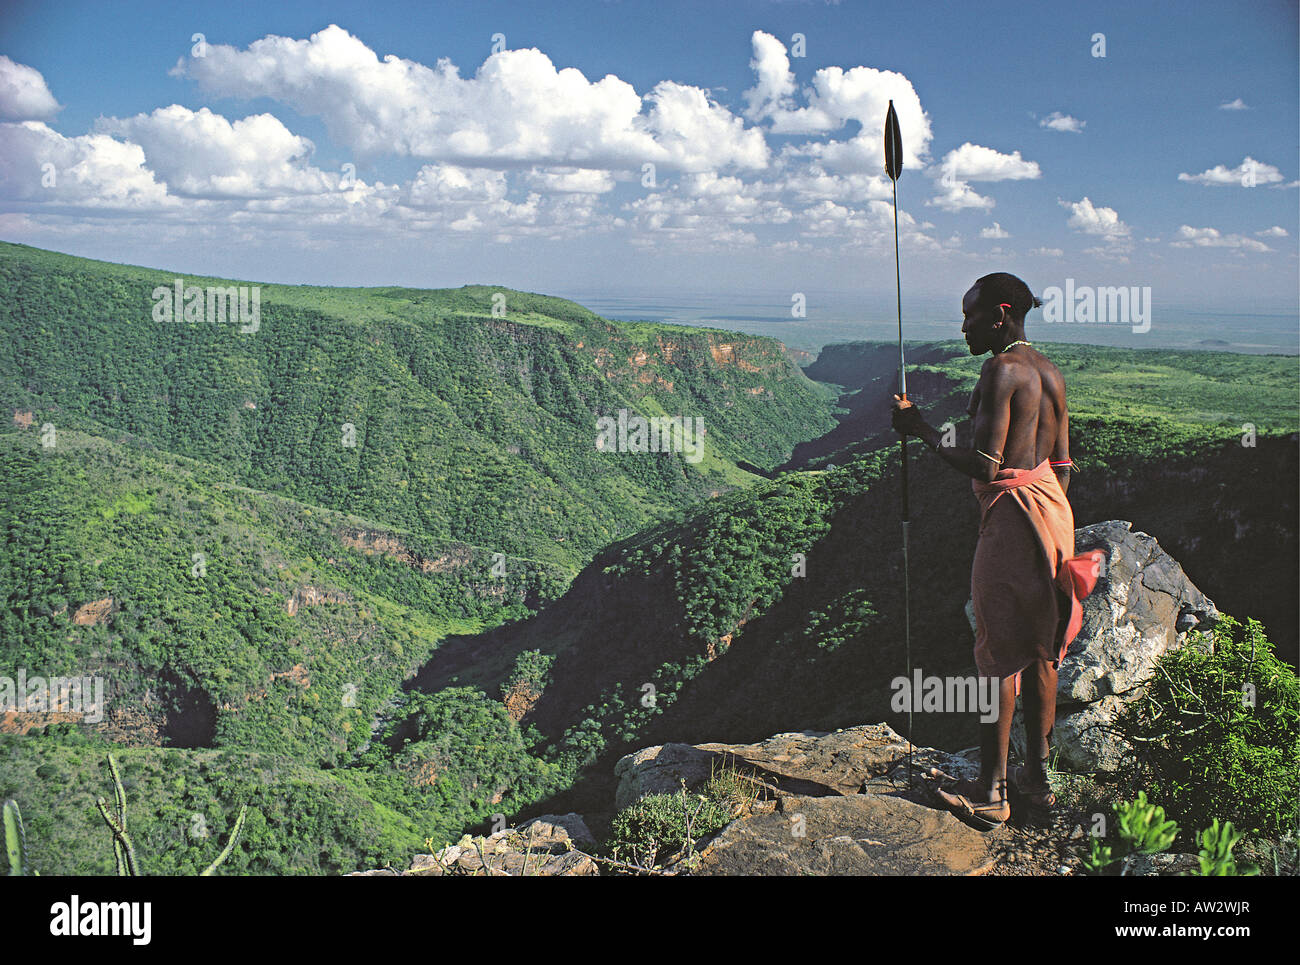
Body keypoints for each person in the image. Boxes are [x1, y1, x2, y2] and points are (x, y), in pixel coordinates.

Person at [889, 272, 1103, 828]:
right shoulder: (1050, 373)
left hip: (1011, 521)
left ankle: (991, 791)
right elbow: (1061, 465)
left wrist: (922, 430)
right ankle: (1036, 781)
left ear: (1000, 313)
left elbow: (984, 463)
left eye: (970, 316)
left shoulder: (1001, 370)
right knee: (1041, 647)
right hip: (1054, 515)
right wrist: (1043, 511)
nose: (963, 328)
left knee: (997, 654)